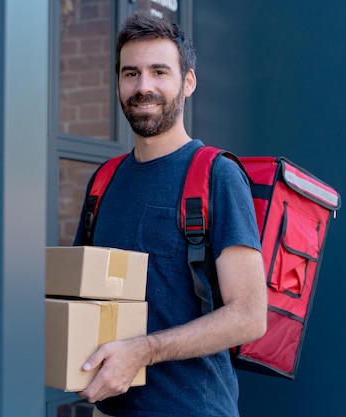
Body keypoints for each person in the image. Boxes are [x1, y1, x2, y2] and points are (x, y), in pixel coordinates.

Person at [73, 12, 267, 417]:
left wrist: (142, 351)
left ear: (188, 82)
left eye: (159, 71)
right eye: (131, 73)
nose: (143, 86)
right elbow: (83, 301)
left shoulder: (217, 175)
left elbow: (249, 316)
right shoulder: (103, 182)